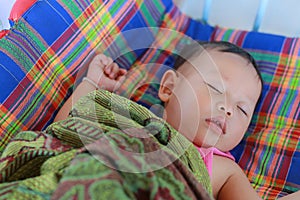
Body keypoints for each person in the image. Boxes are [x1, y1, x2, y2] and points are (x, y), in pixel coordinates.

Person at [54, 41, 299, 200]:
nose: (228, 110)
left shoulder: (224, 170)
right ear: (169, 87)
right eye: (215, 88)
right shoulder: (132, 120)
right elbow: (66, 128)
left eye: (243, 110)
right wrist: (92, 84)